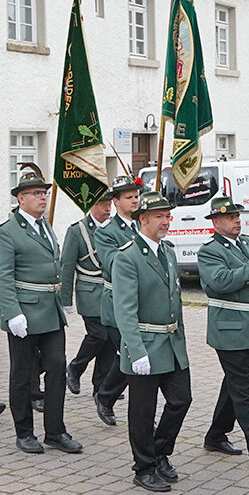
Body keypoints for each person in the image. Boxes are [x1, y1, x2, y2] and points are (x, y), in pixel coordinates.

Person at [112, 191, 191, 492]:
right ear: (142, 219)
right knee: (142, 412)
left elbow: (176, 301)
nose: (165, 221)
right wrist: (135, 350)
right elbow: (125, 310)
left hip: (171, 344)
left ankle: (159, 452)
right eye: (159, 216)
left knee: (181, 400)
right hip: (144, 344)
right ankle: (143, 467)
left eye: (167, 216)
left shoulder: (167, 252)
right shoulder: (128, 256)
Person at [0, 167, 81, 453]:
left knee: (57, 368)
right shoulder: (8, 232)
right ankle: (24, 432)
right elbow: (3, 276)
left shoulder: (45, 226)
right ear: (20, 198)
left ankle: (55, 431)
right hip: (25, 313)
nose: (43, 197)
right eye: (36, 193)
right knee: (22, 375)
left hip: (50, 310)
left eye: (44, 192)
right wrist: (12, 313)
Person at [198, 195, 249, 469]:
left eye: (237, 216)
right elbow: (219, 281)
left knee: (235, 384)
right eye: (230, 217)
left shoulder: (248, 244)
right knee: (243, 390)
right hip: (229, 331)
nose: (236, 221)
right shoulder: (209, 251)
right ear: (216, 222)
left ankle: (216, 434)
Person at [93, 175, 143, 426]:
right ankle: (109, 397)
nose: (135, 200)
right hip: (117, 303)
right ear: (115, 201)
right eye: (129, 197)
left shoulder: (142, 225)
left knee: (128, 354)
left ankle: (105, 395)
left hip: (143, 303)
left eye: (136, 196)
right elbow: (112, 264)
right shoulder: (107, 232)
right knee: (131, 353)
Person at [62, 192, 114, 398]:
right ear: (91, 205)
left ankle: (100, 386)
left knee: (110, 340)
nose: (107, 208)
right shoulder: (77, 231)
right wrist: (65, 300)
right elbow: (67, 266)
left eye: (109, 204)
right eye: (103, 204)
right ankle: (75, 368)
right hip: (90, 293)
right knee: (98, 335)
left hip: (110, 294)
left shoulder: (112, 230)